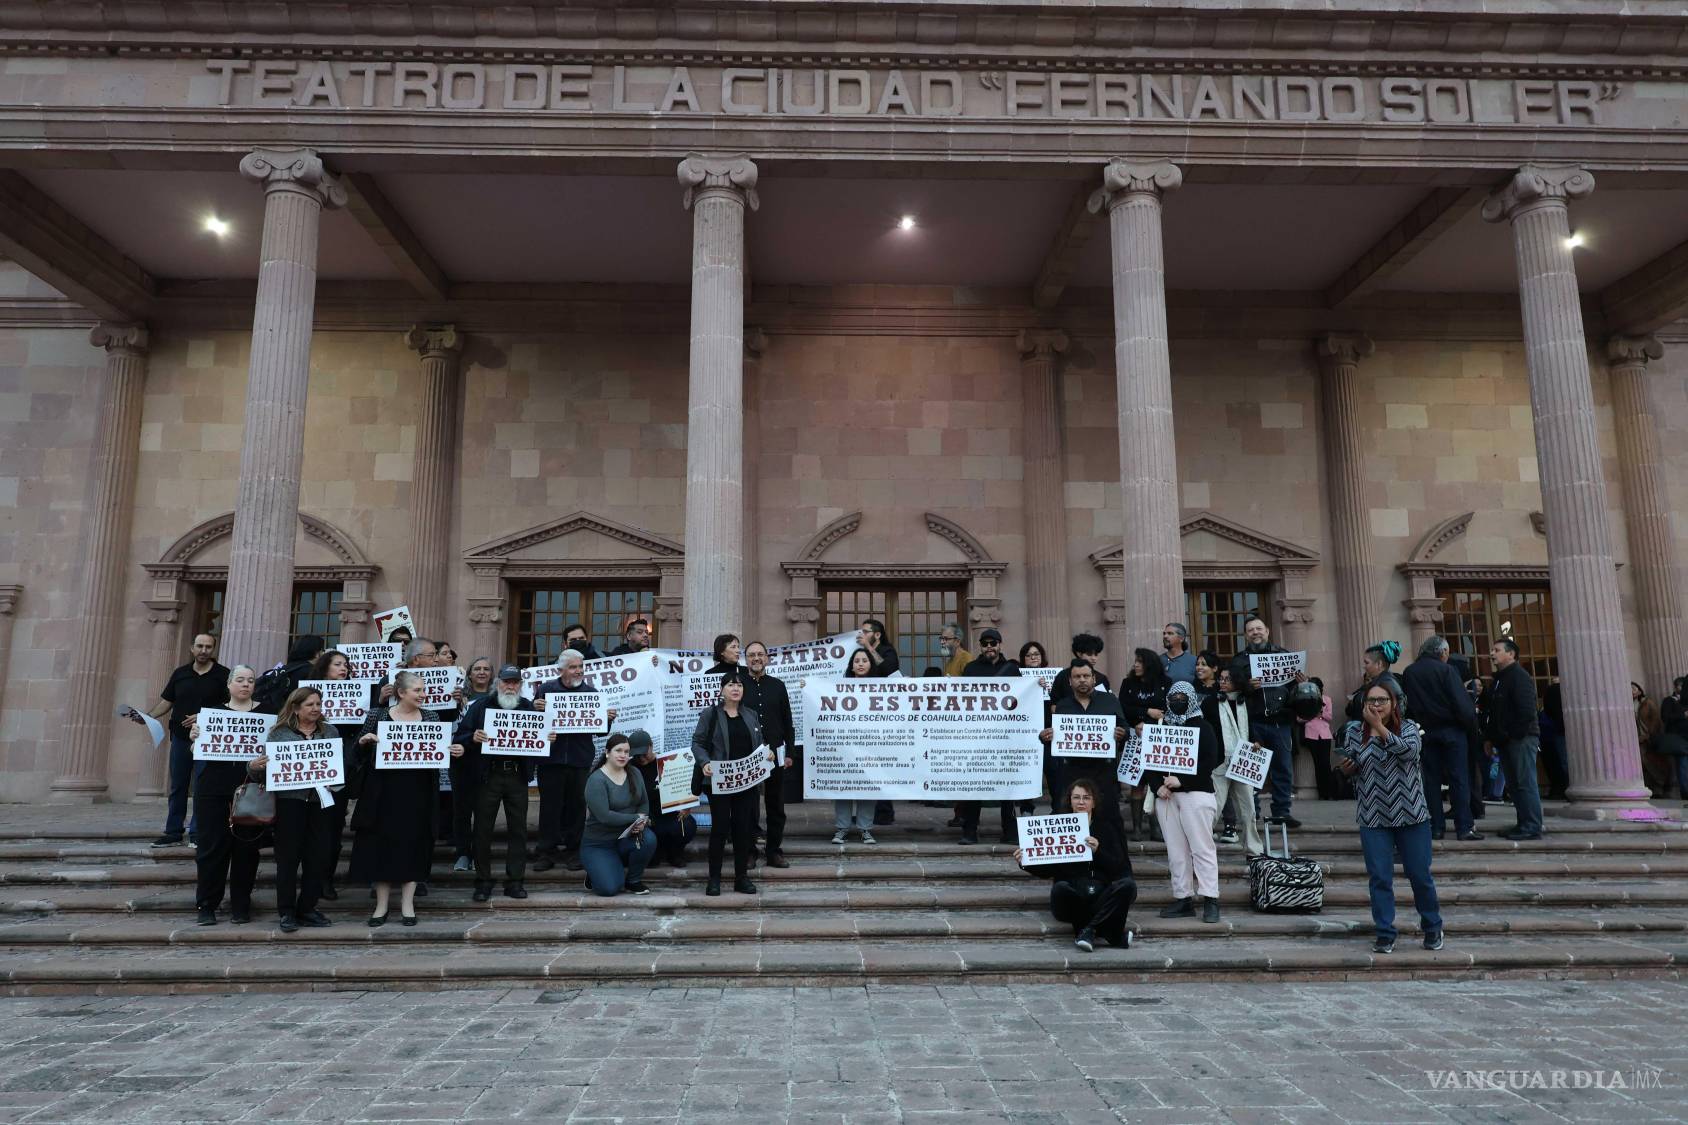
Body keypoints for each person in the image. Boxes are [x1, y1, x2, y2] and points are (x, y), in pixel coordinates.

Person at [1337, 678, 1443, 954]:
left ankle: (1432, 926)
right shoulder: (1352, 732)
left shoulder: (1408, 729)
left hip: (1411, 814)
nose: (1376, 705)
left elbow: (1409, 753)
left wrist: (1379, 728)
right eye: (1371, 700)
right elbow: (1350, 766)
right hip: (1373, 816)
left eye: (1382, 700)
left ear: (1394, 702)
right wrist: (1347, 770)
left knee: (1419, 875)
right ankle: (1385, 931)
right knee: (1380, 878)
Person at [350, 670, 441, 926]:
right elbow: (356, 752)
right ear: (401, 693)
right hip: (382, 793)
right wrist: (364, 742)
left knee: (414, 844)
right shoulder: (377, 716)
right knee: (381, 846)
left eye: (423, 690)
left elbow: (438, 750)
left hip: (419, 792)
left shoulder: (431, 717)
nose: (423, 695)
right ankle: (381, 906)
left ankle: (407, 904)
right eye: (418, 691)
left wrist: (452, 749)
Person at [1015, 778, 1136, 952]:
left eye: (1086, 798)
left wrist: (1098, 852)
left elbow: (1119, 868)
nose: (1081, 802)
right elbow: (1048, 870)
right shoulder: (1059, 826)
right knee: (1060, 889)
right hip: (1072, 895)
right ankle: (1111, 934)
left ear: (1094, 802)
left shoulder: (1107, 828)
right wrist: (1025, 862)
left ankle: (1089, 930)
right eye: (1076, 797)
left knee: (1128, 885)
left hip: (1100, 894)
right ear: (1069, 801)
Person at [258, 686, 339, 933]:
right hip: (289, 802)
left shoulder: (330, 731)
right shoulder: (279, 734)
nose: (315, 709)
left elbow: (338, 765)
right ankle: (287, 912)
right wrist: (255, 767)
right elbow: (264, 770)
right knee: (288, 859)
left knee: (318, 857)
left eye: (318, 704)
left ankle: (307, 908)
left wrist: (336, 779)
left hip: (321, 803)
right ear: (295, 708)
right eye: (309, 705)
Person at [185, 664, 261, 926]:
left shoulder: (266, 714)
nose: (245, 684)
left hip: (250, 789)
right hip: (214, 790)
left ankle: (241, 904)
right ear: (229, 684)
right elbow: (197, 750)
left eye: (250, 680)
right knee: (211, 849)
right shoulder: (212, 715)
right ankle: (207, 904)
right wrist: (195, 736)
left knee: (246, 850)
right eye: (240, 680)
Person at [452, 664, 535, 901]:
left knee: (518, 830)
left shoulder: (528, 708)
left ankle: (515, 881)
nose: (510, 686)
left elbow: (540, 740)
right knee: (482, 830)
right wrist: (473, 737)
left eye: (515, 682)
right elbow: (461, 737)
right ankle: (483, 880)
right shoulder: (480, 707)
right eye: (507, 682)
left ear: (520, 685)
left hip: (517, 776)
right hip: (488, 777)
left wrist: (547, 736)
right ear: (498, 683)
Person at [139, 632, 228, 848]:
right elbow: (166, 701)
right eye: (200, 646)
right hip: (180, 738)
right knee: (178, 786)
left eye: (208, 647)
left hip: (209, 740)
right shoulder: (180, 673)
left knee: (202, 786)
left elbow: (230, 705)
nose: (203, 651)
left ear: (213, 649)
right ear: (192, 648)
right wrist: (149, 716)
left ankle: (198, 831)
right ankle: (173, 831)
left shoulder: (223, 674)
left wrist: (204, 715)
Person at [1145, 682, 1224, 923]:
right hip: (1166, 798)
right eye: (1173, 697)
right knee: (1176, 852)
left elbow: (1210, 761)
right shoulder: (1161, 726)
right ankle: (1183, 898)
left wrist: (1183, 781)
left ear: (1190, 699)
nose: (1177, 701)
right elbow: (1149, 760)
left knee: (1202, 848)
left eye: (1182, 697)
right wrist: (1157, 785)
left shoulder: (1203, 727)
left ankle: (1211, 899)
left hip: (1196, 795)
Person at [532, 649, 616, 872]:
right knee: (549, 808)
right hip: (551, 760)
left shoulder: (591, 692)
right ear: (560, 670)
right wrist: (535, 709)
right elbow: (532, 727)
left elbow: (600, 732)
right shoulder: (546, 690)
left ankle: (574, 851)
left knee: (577, 807)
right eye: (573, 667)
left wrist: (607, 720)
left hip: (579, 760)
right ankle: (545, 852)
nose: (578, 671)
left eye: (581, 667)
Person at [692, 668, 770, 895]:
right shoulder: (711, 714)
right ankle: (714, 879)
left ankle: (741, 878)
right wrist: (704, 762)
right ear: (722, 690)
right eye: (731, 685)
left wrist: (767, 752)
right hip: (720, 782)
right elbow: (697, 742)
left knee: (742, 830)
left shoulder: (751, 714)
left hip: (746, 782)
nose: (736, 689)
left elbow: (759, 743)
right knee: (719, 829)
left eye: (739, 685)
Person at [1401, 635, 1482, 841]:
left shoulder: (1410, 672)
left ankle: (1436, 826)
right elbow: (1461, 704)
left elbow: (1408, 705)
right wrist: (1470, 727)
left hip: (1425, 731)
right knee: (1458, 779)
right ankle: (1464, 827)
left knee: (1431, 781)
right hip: (1452, 730)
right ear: (1443, 652)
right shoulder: (1447, 670)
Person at [1228, 614, 1306, 827]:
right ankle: (1251, 812)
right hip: (1253, 722)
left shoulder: (1284, 655)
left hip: (1281, 721)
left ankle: (1282, 812)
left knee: (1283, 769)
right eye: (1251, 630)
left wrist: (1303, 683)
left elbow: (1295, 691)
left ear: (1267, 631)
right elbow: (1230, 689)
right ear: (1245, 635)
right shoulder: (1238, 660)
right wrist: (1247, 686)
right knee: (1252, 770)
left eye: (1259, 628)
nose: (1255, 632)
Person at [308, 647, 368, 899]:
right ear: (324, 668)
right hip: (308, 770)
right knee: (310, 829)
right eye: (338, 664)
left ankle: (326, 879)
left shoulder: (357, 696)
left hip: (339, 770)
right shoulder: (306, 694)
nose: (344, 668)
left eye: (346, 665)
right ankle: (311, 878)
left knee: (333, 828)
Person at [956, 628, 1022, 845]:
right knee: (974, 786)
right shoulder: (971, 668)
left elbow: (1024, 698)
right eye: (985, 644)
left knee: (1008, 787)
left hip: (1006, 736)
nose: (989, 647)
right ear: (981, 646)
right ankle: (969, 831)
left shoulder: (1013, 669)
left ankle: (1010, 831)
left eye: (993, 643)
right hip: (978, 736)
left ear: (1000, 644)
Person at [1041, 659, 1126, 817]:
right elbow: (1054, 735)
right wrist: (1045, 737)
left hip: (1103, 771)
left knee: (1107, 817)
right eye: (1077, 676)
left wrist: (1122, 733)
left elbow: (1125, 728)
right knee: (1074, 816)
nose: (1082, 680)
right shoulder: (1062, 706)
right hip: (1073, 771)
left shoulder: (1110, 701)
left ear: (1093, 678)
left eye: (1086, 676)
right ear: (1070, 681)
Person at [581, 732, 658, 896]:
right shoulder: (596, 780)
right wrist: (636, 818)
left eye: (626, 751)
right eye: (618, 750)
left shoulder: (635, 772)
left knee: (648, 839)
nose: (623, 755)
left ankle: (633, 881)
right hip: (599, 844)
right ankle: (596, 870)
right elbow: (605, 816)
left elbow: (643, 801)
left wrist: (642, 820)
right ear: (607, 752)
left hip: (626, 836)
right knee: (609, 889)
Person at [742, 641, 795, 868]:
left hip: (775, 754)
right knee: (748, 807)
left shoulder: (778, 685)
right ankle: (749, 851)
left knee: (776, 806)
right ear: (746, 660)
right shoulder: (738, 684)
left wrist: (790, 752)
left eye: (760, 654)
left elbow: (788, 722)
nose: (756, 658)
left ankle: (774, 851)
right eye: (751, 655)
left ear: (767, 658)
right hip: (746, 756)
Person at [1487, 638, 1543, 841]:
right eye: (1492, 650)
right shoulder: (1500, 679)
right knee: (1514, 783)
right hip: (1506, 740)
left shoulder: (1519, 676)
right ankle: (1524, 823)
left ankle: (1532, 825)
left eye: (1497, 650)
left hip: (1521, 738)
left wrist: (1512, 735)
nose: (1492, 653)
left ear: (1511, 654)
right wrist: (1493, 738)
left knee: (1524, 781)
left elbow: (1527, 711)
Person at [1207, 668, 1262, 854]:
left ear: (1237, 682)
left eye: (1227, 679)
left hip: (1243, 760)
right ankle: (1200, 848)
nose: (1222, 682)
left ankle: (1254, 851)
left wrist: (1256, 742)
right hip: (1220, 761)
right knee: (1214, 807)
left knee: (1249, 809)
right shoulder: (1210, 702)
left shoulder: (1247, 702)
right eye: (1220, 679)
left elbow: (1253, 727)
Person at [1119, 647, 1170, 840]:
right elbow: (1123, 707)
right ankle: (1138, 828)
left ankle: (1156, 828)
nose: (1136, 665)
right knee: (1137, 783)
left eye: (1140, 661)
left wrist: (1151, 716)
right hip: (1135, 738)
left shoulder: (1165, 683)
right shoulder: (1128, 683)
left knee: (1156, 783)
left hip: (1159, 739)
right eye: (1135, 661)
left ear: (1149, 664)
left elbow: (1168, 709)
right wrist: (1145, 713)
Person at [831, 648, 879, 844]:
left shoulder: (882, 687)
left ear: (870, 664)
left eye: (864, 660)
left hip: (872, 745)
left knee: (867, 787)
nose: (860, 663)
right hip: (846, 745)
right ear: (851, 665)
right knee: (844, 785)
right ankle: (842, 828)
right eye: (857, 660)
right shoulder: (838, 687)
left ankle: (865, 829)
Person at [632, 730, 697, 867]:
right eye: (637, 755)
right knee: (652, 862)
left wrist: (687, 805)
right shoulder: (630, 768)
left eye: (644, 753)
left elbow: (685, 787)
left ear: (651, 746)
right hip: (646, 819)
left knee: (687, 825)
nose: (641, 758)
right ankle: (657, 850)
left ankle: (675, 852)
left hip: (670, 816)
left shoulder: (667, 762)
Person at [1019, 640, 1051, 813]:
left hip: (1048, 731)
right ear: (1023, 659)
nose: (1033, 658)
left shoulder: (1052, 676)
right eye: (1029, 655)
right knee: (1027, 772)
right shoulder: (1017, 678)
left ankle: (1058, 811)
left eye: (1036, 654)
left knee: (1052, 773)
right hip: (1026, 733)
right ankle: (1026, 808)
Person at [1344, 641, 1405, 726]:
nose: (1364, 666)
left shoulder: (1385, 684)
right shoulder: (1381, 681)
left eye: (1367, 662)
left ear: (1379, 664)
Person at [1298, 676, 1337, 802]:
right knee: (1317, 764)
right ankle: (1321, 793)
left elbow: (1329, 716)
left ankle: (1330, 792)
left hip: (1325, 734)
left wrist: (1319, 713)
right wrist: (1313, 714)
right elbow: (1299, 718)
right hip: (1311, 734)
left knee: (1326, 764)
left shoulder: (1327, 699)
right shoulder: (1304, 699)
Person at [1050, 633, 1110, 706]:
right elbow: (1054, 705)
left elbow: (1107, 704)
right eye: (1089, 654)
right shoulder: (1062, 676)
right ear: (1079, 654)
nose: (1094, 658)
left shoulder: (1102, 678)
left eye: (1096, 654)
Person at [1635, 682, 1670, 796]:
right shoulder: (1631, 704)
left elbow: (1655, 720)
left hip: (1648, 737)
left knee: (1652, 761)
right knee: (1643, 763)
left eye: (1633, 688)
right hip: (1637, 738)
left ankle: (1661, 785)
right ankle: (1654, 787)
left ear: (1639, 691)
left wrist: (1648, 736)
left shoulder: (1647, 702)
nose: (1631, 691)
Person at [1540, 679, 1572, 800]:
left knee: (1563, 762)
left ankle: (1565, 788)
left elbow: (1548, 710)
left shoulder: (1552, 691)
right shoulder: (1567, 690)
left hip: (1558, 730)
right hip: (1567, 729)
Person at [1658, 677, 1688, 799]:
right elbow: (1665, 717)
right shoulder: (1669, 701)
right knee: (1683, 765)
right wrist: (1683, 715)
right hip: (1678, 737)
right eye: (1680, 686)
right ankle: (1686, 793)